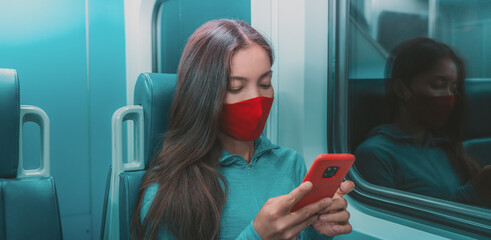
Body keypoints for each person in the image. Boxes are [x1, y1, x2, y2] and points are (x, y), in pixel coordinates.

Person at [130, 19, 355, 240]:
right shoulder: (169, 188)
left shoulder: (290, 163)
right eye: (236, 88)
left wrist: (318, 230)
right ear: (203, 96)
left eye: (265, 84)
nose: (256, 100)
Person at [355, 37, 491, 207]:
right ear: (402, 89)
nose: (449, 97)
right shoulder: (376, 154)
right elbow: (392, 228)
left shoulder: (444, 146)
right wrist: (475, 193)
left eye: (454, 88)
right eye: (437, 84)